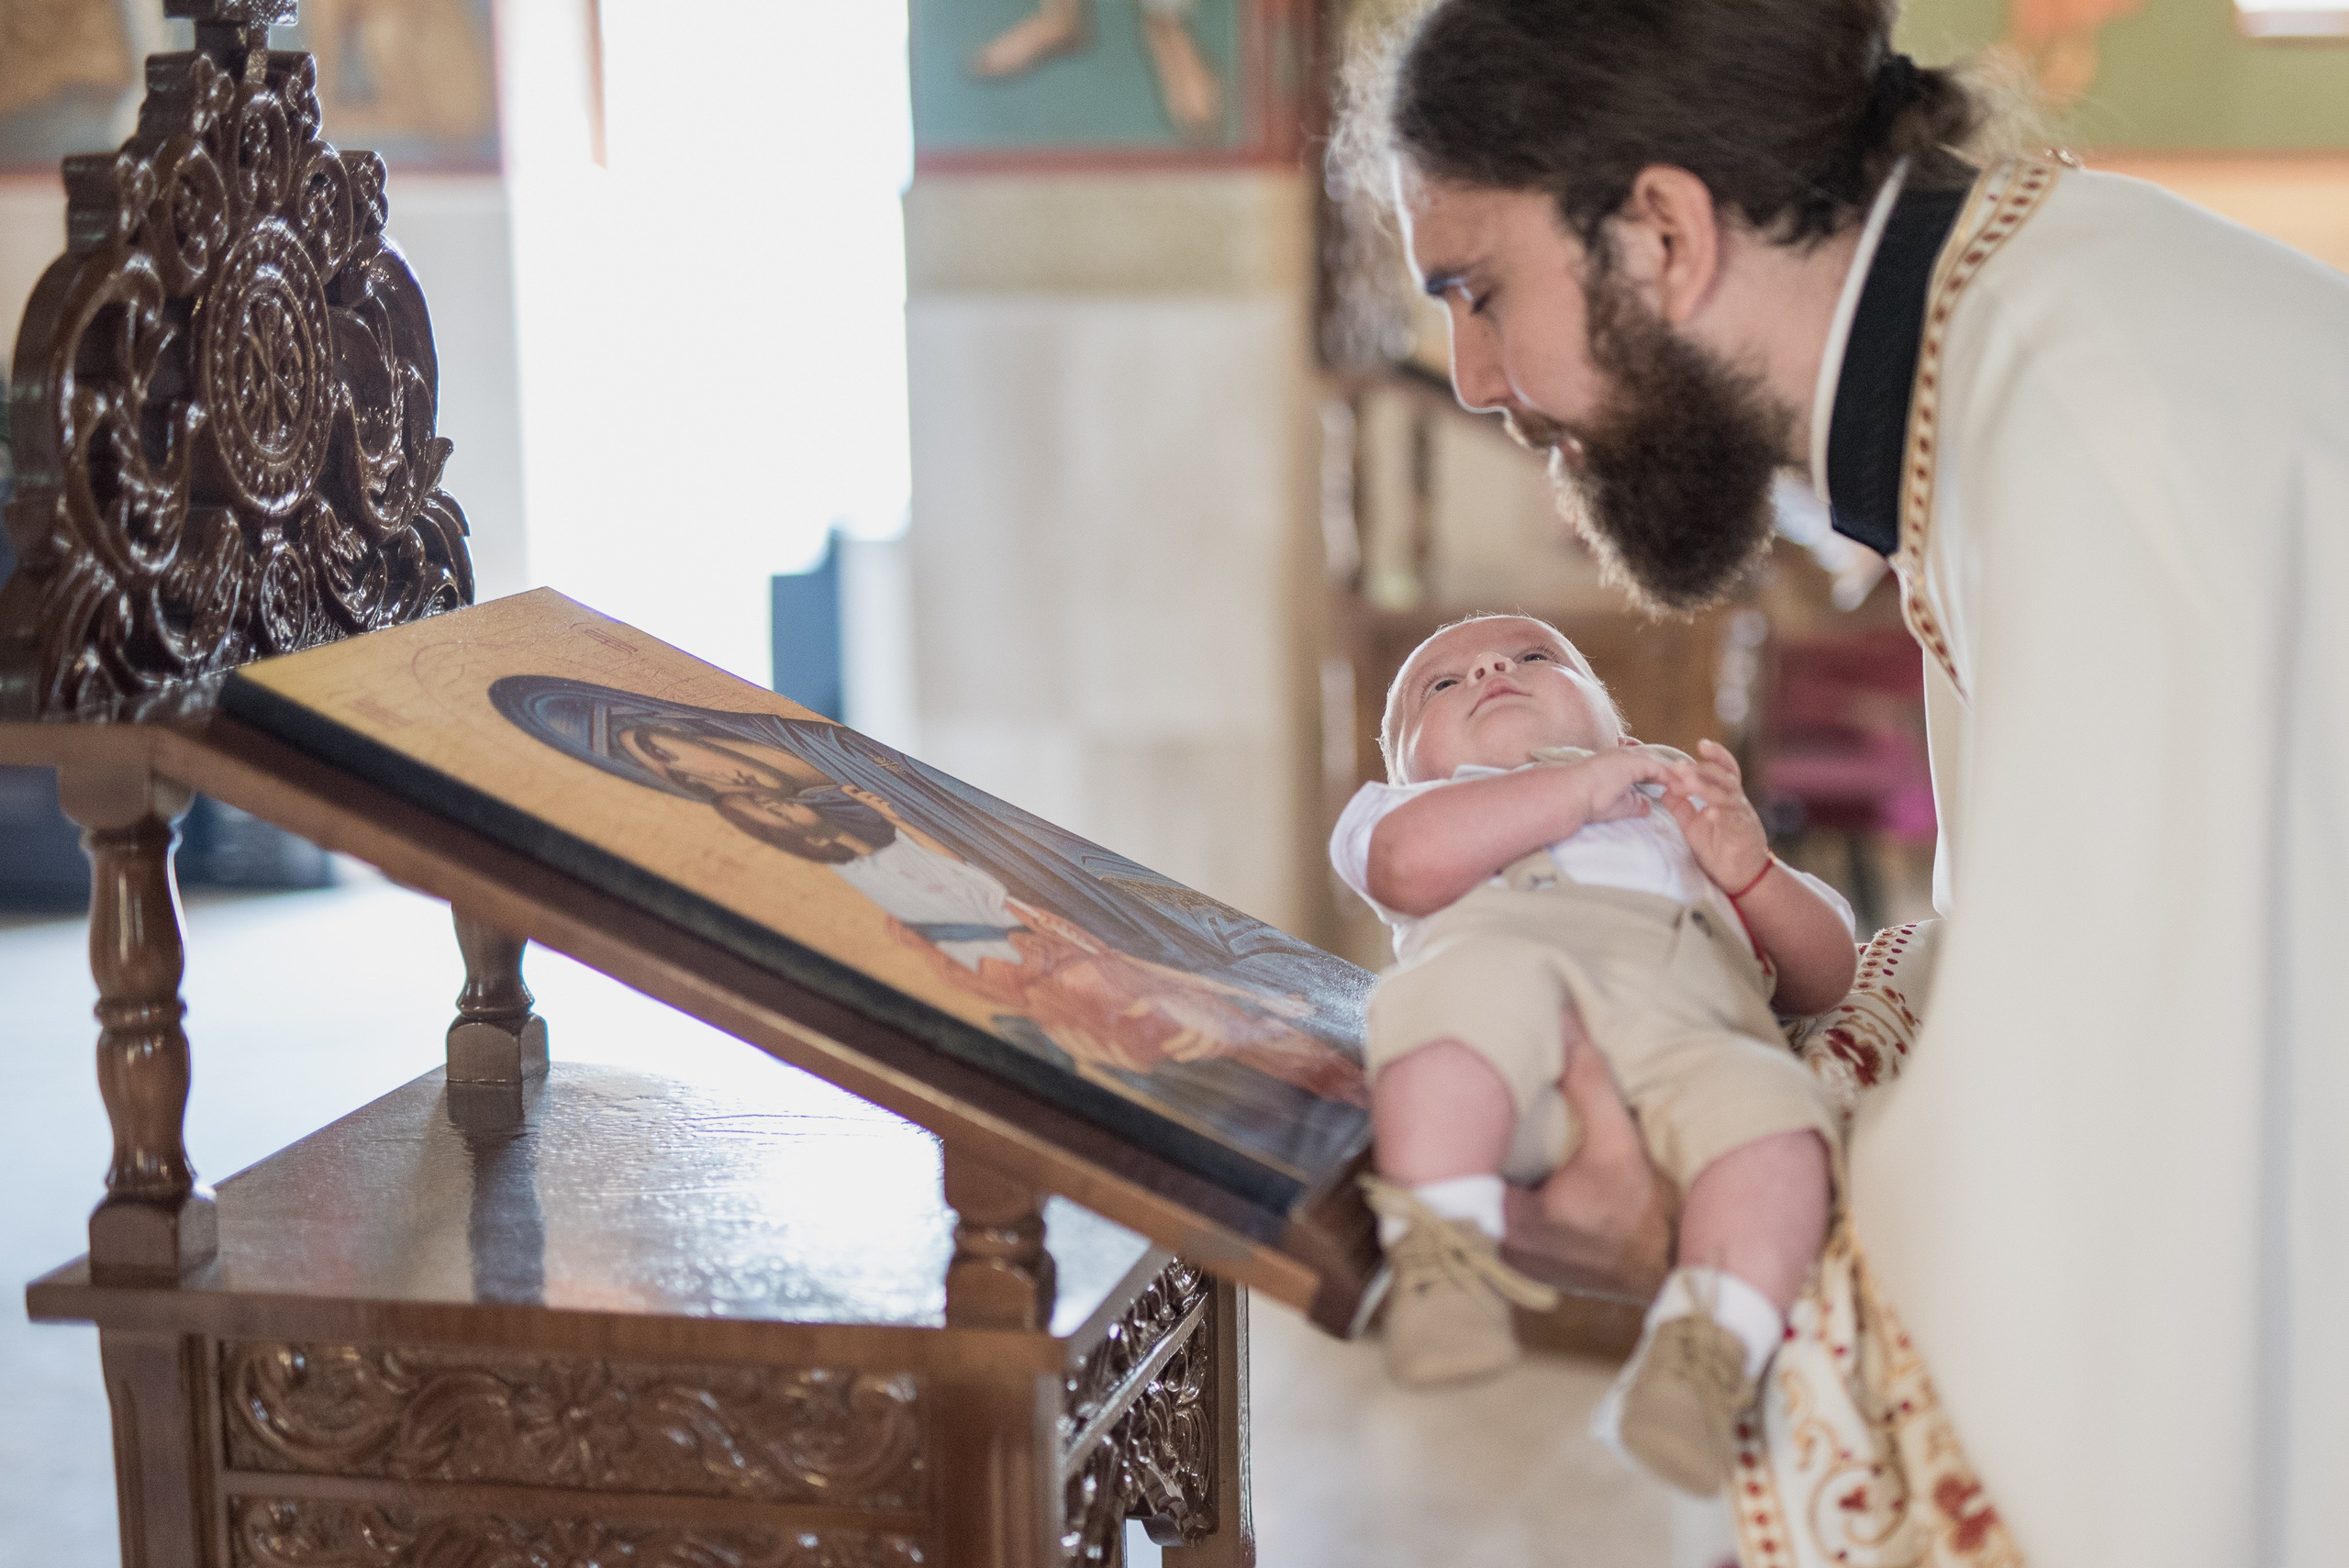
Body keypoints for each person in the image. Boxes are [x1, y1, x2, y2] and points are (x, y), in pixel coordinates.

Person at [1344, 2, 2349, 1563]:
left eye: (1479, 290)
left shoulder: (2094, 434)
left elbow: (2160, 1240)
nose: (1472, 377)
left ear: (1663, 232)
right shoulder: (2027, 335)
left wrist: (1707, 1209)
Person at [1334, 615, 1854, 1493]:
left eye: (1536, 656)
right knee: (1443, 1012)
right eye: (1442, 684)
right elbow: (1402, 865)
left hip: (1695, 1034)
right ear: (1403, 771)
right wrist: (1573, 793)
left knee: (1778, 1118)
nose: (1493, 665)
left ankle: (1705, 1350)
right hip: (1514, 1039)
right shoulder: (1410, 813)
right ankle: (1442, 1250)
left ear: (1623, 730)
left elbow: (1825, 973)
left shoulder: (1680, 807)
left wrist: (1752, 870)